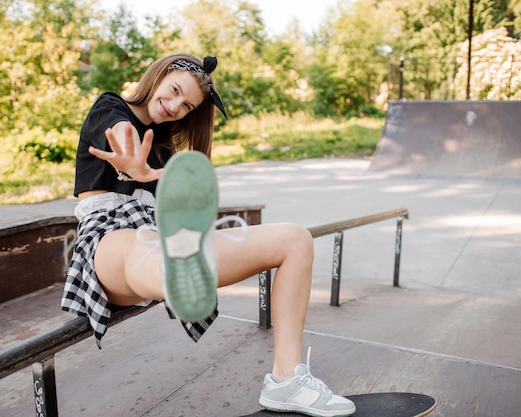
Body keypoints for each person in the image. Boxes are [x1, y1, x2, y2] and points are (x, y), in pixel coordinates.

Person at [61, 52, 355, 417]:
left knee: (295, 239)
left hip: (159, 230)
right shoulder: (110, 106)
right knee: (146, 247)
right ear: (159, 74)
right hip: (108, 235)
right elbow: (119, 130)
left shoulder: (166, 150)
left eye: (186, 106)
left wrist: (161, 178)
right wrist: (132, 157)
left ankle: (286, 381)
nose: (175, 106)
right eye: (173, 92)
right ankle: (178, 272)